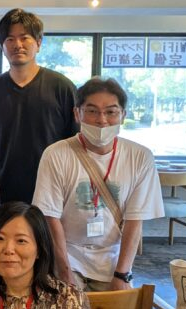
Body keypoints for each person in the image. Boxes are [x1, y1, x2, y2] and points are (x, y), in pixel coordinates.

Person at [33, 77, 163, 293]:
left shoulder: (140, 157)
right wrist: (64, 273)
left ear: (123, 115)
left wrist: (122, 274)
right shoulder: (55, 154)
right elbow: (50, 217)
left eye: (111, 112)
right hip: (68, 254)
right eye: (92, 111)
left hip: (113, 258)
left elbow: (134, 221)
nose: (102, 120)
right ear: (77, 114)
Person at [0, 8, 78, 203]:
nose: (18, 45)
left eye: (25, 38)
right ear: (2, 46)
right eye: (10, 39)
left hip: (54, 191)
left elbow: (74, 141)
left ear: (38, 43)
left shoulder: (62, 87)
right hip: (4, 192)